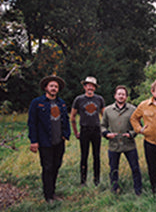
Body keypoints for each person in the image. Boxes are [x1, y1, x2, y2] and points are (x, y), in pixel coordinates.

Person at [28, 75, 71, 203]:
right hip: (45, 142)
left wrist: (66, 134)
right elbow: (32, 123)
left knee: (56, 166)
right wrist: (34, 141)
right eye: (51, 86)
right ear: (46, 87)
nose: (54, 88)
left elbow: (66, 120)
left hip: (59, 141)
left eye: (56, 87)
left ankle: (53, 192)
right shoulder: (37, 103)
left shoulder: (61, 103)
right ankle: (48, 196)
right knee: (47, 168)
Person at [100, 85, 142, 195]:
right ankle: (115, 189)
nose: (121, 96)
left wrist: (131, 134)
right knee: (113, 169)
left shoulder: (133, 109)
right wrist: (106, 133)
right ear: (115, 96)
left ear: (126, 97)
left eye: (123, 94)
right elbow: (102, 126)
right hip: (114, 145)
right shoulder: (108, 110)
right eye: (119, 94)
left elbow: (138, 126)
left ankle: (138, 190)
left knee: (135, 168)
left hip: (129, 144)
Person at [70, 76, 105, 186]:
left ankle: (96, 180)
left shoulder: (99, 99)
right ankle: (83, 181)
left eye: (92, 86)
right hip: (84, 130)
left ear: (95, 88)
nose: (90, 87)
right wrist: (76, 132)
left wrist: (104, 130)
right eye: (88, 85)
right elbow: (72, 117)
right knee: (84, 156)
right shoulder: (79, 100)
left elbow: (104, 116)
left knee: (96, 156)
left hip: (96, 131)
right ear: (84, 87)